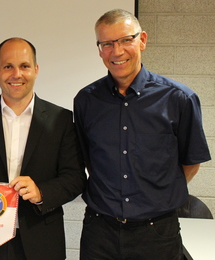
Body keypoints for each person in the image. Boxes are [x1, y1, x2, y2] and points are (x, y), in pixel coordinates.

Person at [74, 9, 211, 260]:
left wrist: (153, 196)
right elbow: (89, 160)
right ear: (99, 49)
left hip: (157, 233)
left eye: (126, 40)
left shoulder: (179, 99)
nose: (117, 51)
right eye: (107, 43)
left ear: (143, 40)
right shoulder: (86, 100)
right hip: (99, 232)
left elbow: (191, 163)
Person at [0, 37, 86, 260]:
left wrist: (41, 192)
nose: (16, 74)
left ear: (36, 70)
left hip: (40, 240)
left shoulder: (61, 120)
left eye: (24, 66)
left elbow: (75, 178)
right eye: (8, 66)